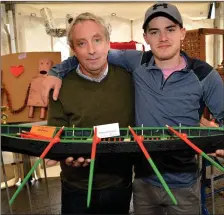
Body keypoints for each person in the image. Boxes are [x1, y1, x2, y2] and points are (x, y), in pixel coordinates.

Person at [43, 3, 224, 215]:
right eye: (154, 32)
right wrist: (56, 71)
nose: (163, 38)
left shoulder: (204, 74)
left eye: (170, 29)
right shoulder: (135, 63)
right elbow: (89, 55)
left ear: (182, 32)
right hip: (142, 182)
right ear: (145, 37)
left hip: (184, 181)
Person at [47, 12, 135, 214]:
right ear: (73, 49)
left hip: (119, 184)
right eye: (82, 43)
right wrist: (64, 153)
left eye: (97, 40)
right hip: (76, 186)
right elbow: (56, 133)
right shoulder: (60, 86)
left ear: (108, 43)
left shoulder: (130, 79)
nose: (92, 50)